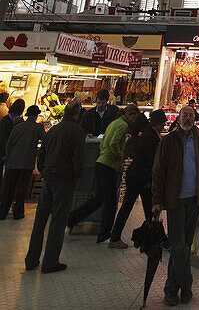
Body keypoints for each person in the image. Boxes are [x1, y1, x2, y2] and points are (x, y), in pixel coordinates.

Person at [152, 103, 199, 306]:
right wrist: (157, 200)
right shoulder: (169, 142)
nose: (187, 119)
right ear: (177, 119)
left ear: (194, 119)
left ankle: (175, 288)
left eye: (190, 116)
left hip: (194, 199)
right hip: (175, 199)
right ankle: (181, 287)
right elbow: (159, 171)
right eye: (184, 115)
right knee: (178, 245)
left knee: (184, 245)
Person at [25, 97, 85, 273]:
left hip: (49, 178)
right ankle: (50, 262)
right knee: (58, 220)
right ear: (77, 113)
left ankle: (31, 259)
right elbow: (78, 158)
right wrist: (76, 176)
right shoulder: (77, 131)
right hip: (64, 179)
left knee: (40, 219)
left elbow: (42, 154)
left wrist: (44, 170)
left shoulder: (52, 130)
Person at [67, 103, 139, 243]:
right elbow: (113, 143)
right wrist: (120, 156)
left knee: (99, 198)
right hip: (109, 165)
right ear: (129, 115)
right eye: (134, 117)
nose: (134, 121)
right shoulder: (123, 126)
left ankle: (72, 219)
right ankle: (105, 234)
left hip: (101, 162)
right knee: (111, 203)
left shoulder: (113, 123)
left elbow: (104, 142)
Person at [108, 108, 167, 248]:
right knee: (139, 207)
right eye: (162, 122)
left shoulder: (150, 134)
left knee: (147, 208)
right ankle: (116, 237)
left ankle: (157, 238)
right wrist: (148, 179)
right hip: (139, 177)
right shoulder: (150, 136)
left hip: (138, 176)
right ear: (157, 123)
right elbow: (150, 159)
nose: (164, 125)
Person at [0, 104, 45, 220]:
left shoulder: (17, 127)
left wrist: (8, 157)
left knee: (8, 188)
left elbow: (9, 145)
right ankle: (18, 212)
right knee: (21, 189)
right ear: (36, 116)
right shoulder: (38, 128)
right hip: (26, 163)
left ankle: (3, 211)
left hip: (13, 162)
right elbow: (45, 141)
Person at [0, 98, 25, 180]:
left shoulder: (6, 119)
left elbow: (2, 136)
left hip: (3, 150)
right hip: (14, 152)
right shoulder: (22, 122)